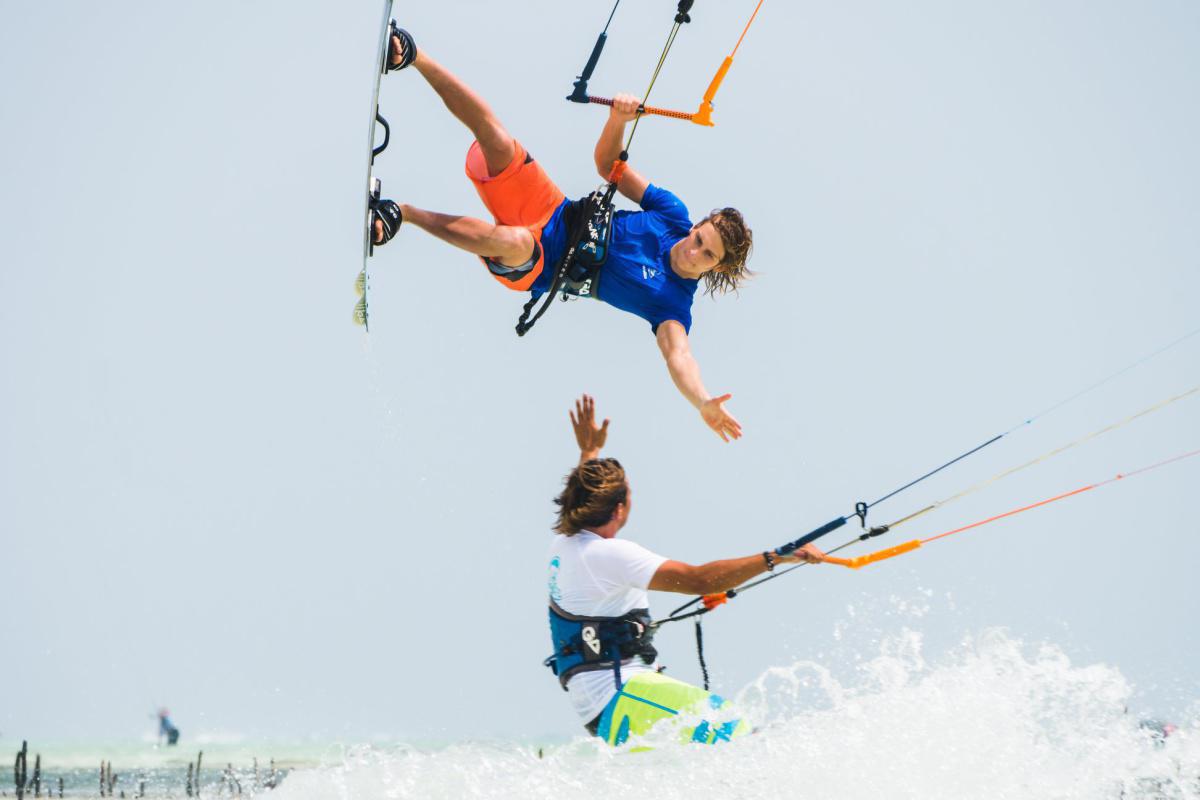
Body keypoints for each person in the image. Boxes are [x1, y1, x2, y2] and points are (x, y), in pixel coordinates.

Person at [375, 29, 753, 442]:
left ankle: (402, 215)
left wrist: (701, 400)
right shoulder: (671, 213)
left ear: (715, 268)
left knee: (516, 242)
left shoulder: (672, 304)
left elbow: (678, 356)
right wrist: (617, 121)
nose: (694, 250)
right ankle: (412, 56)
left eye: (707, 255)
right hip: (551, 208)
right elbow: (608, 162)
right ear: (697, 226)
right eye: (701, 238)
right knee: (498, 140)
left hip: (541, 269)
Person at [545, 395, 826, 745]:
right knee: (740, 733)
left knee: (716, 754)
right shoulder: (610, 556)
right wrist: (776, 557)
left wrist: (589, 452)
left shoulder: (566, 543)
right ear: (619, 509)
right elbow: (698, 580)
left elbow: (583, 494)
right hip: (621, 696)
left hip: (604, 705)